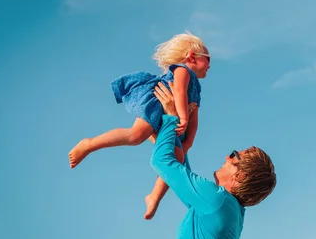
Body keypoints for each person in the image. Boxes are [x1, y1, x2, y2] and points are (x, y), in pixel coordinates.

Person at [151, 81, 276, 239]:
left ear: (239, 176)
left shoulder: (216, 202)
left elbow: (162, 163)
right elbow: (177, 167)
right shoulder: (226, 209)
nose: (226, 156)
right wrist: (178, 129)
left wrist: (169, 117)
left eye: (234, 156)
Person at [68, 31, 211, 219]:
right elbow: (179, 92)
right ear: (192, 56)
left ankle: (154, 196)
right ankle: (89, 143)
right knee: (137, 135)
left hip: (173, 120)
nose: (209, 66)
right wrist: (182, 117)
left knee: (176, 157)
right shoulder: (182, 70)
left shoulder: (197, 88)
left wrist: (189, 140)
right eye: (208, 59)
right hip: (157, 103)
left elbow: (195, 114)